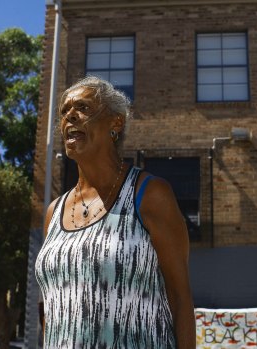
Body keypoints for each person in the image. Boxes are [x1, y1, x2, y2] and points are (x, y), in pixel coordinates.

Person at [35, 76, 196, 348]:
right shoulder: (54, 211)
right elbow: (51, 308)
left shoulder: (149, 194)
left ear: (115, 122)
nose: (70, 116)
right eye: (64, 112)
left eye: (83, 108)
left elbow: (180, 298)